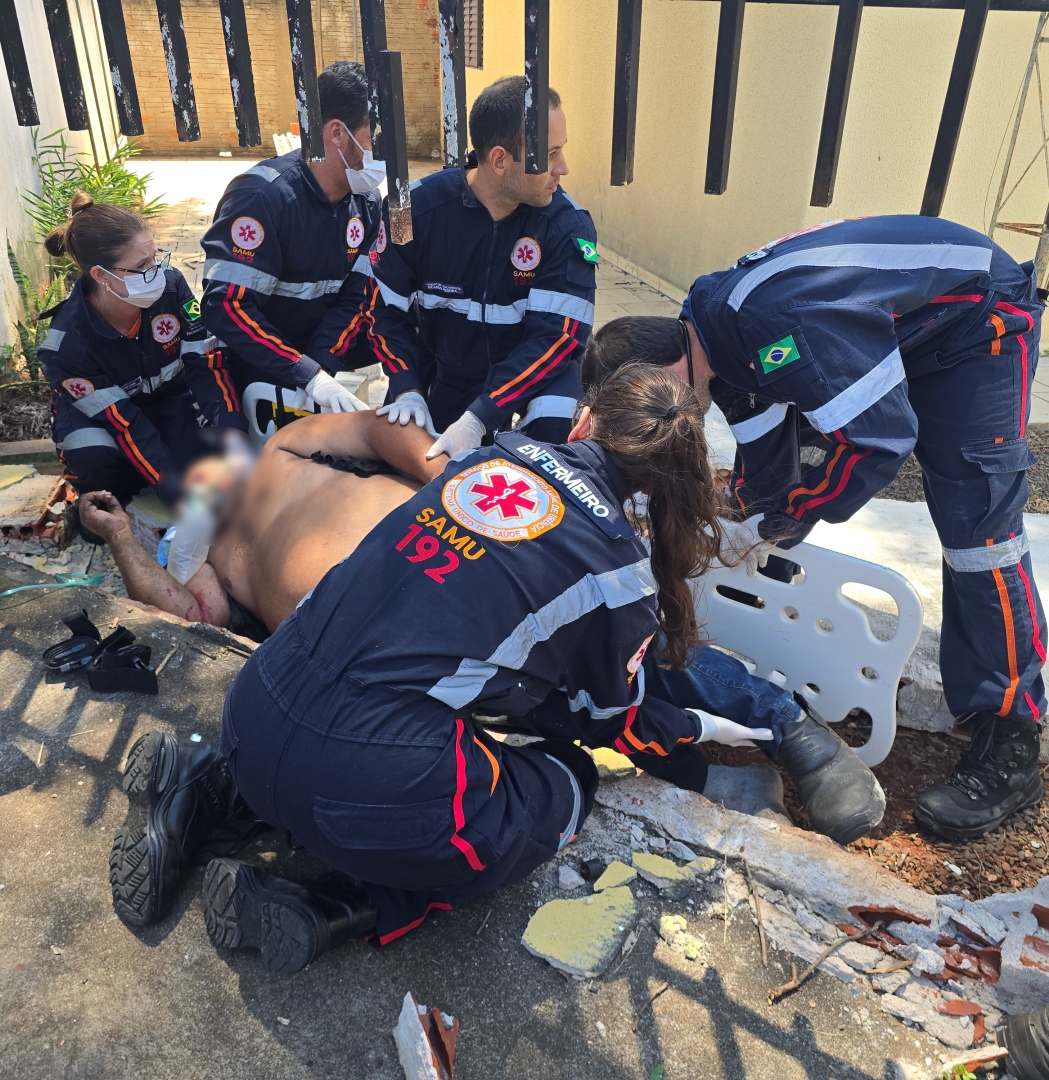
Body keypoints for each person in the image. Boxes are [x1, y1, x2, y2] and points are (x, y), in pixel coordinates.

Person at [107, 366, 882, 967]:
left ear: (582, 418)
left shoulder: (479, 464)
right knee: (563, 780)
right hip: (358, 776)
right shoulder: (618, 572)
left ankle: (208, 795)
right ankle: (341, 901)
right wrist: (687, 754)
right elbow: (620, 716)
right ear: (666, 486)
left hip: (252, 711)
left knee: (376, 732)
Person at [583, 215, 1047, 842]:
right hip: (915, 327)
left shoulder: (772, 324)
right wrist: (758, 518)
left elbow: (877, 441)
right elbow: (767, 459)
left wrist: (792, 516)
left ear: (664, 373)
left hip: (976, 322)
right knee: (781, 499)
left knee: (979, 535)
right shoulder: (713, 339)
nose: (668, 430)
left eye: (658, 414)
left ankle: (1011, 738)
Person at [367, 76, 598, 455]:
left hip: (534, 382)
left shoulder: (567, 227)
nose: (564, 168)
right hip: (446, 373)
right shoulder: (411, 211)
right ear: (499, 160)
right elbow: (381, 310)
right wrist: (406, 387)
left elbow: (556, 339)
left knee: (554, 431)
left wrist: (482, 415)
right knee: (415, 461)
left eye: (562, 150)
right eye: (551, 154)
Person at [79, 410, 449, 643]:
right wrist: (120, 536)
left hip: (452, 532)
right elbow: (189, 619)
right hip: (389, 637)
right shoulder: (196, 549)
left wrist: (451, 481)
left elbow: (373, 428)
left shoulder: (284, 447)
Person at [40, 193, 247, 517]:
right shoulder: (68, 347)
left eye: (154, 257)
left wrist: (233, 432)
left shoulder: (171, 287)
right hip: (105, 418)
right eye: (141, 266)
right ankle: (99, 512)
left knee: (212, 465)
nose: (157, 272)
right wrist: (175, 492)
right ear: (101, 275)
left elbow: (205, 363)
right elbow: (122, 422)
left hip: (166, 399)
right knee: (93, 456)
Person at [200, 61, 382, 416]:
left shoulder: (367, 203)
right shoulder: (262, 199)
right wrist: (305, 374)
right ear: (337, 133)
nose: (389, 154)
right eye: (378, 139)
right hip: (256, 358)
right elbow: (226, 306)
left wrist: (320, 368)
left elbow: (357, 297)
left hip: (316, 353)